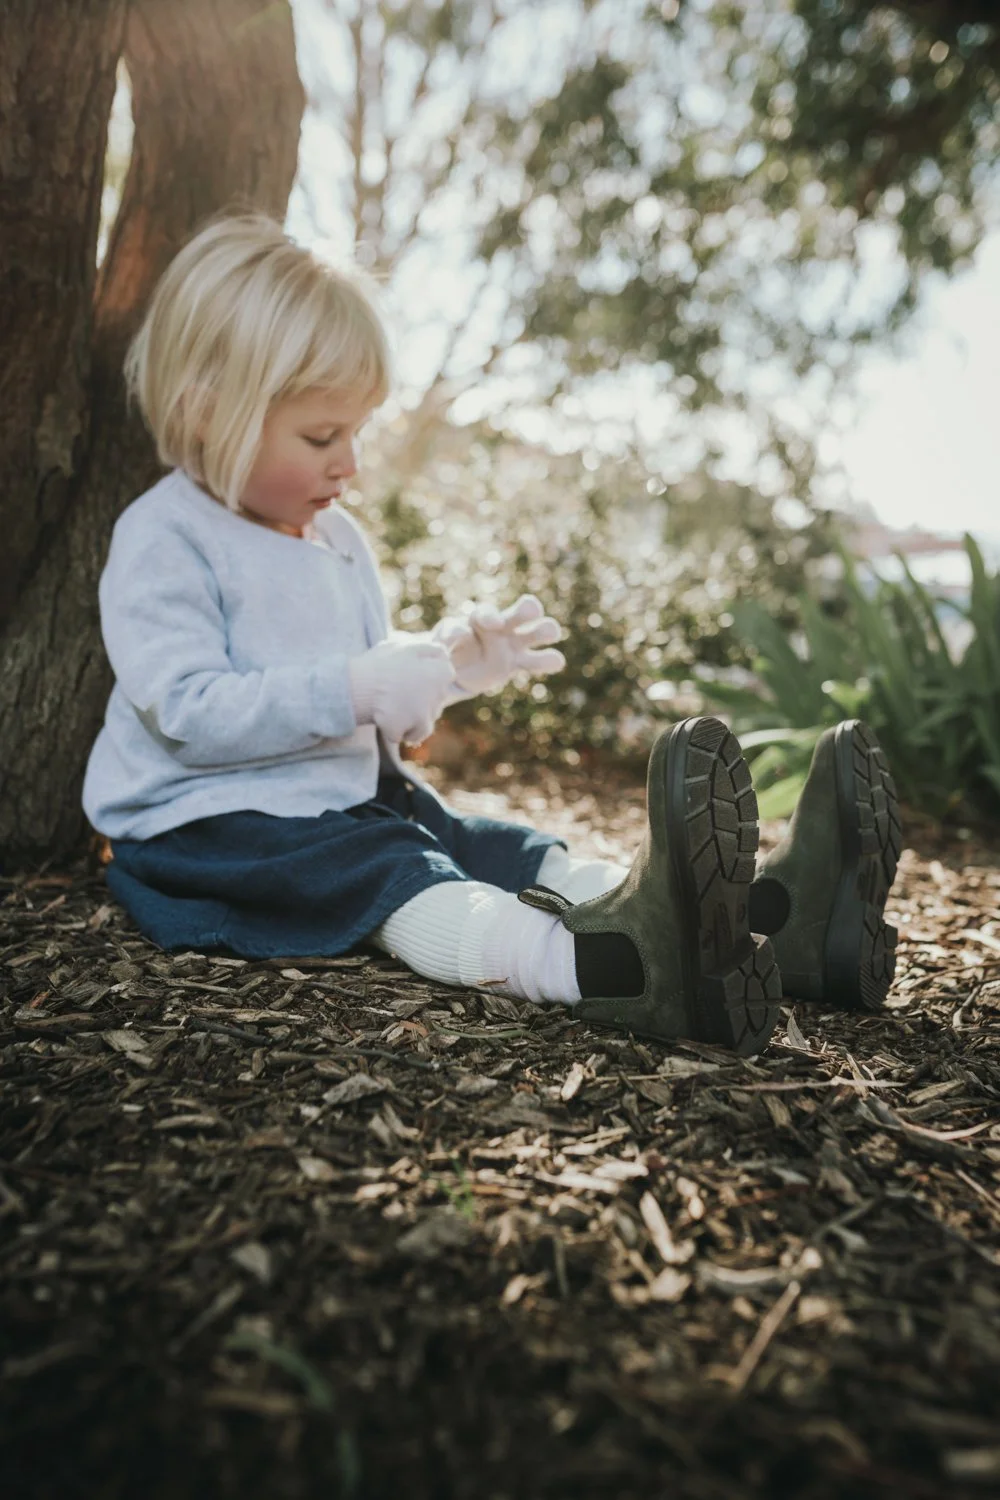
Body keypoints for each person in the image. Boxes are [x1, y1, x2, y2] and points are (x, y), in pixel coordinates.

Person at [83, 213, 902, 1060]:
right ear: (209, 412)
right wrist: (360, 685)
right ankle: (608, 966)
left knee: (498, 845)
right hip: (210, 828)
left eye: (357, 433)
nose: (350, 464)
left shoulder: (337, 539)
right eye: (322, 437)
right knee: (397, 871)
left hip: (345, 802)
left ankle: (771, 921)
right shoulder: (166, 538)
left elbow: (374, 692)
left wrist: (447, 666)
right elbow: (184, 708)